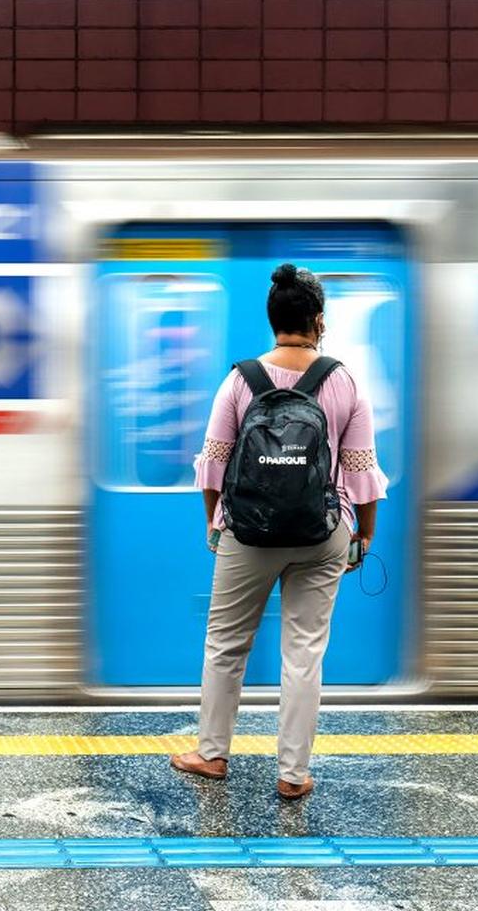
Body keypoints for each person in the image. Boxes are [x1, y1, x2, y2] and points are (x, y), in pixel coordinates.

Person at [170, 263, 388, 801]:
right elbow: (361, 472)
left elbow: (213, 464)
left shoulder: (239, 380)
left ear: (273, 320)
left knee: (225, 644)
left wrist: (215, 523)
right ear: (318, 321)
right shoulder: (343, 381)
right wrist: (364, 534)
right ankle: (293, 773)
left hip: (247, 533)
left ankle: (212, 753)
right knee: (305, 650)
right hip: (322, 532)